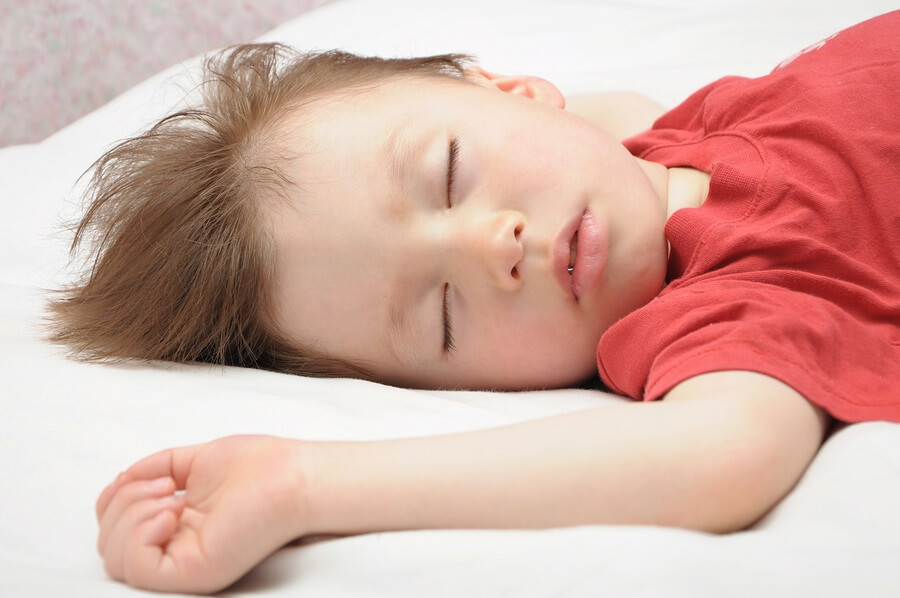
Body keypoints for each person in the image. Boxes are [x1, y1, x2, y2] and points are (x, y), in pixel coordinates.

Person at [50, 10, 897, 595]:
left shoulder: (675, 130)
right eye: (443, 316)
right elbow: (718, 456)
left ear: (518, 91)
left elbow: (585, 123)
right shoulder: (733, 308)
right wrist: (301, 484)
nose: (498, 246)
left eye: (450, 175)